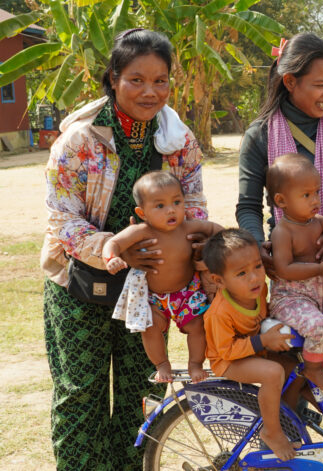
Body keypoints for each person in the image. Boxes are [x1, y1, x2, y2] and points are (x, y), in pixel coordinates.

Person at [40, 29, 208, 470]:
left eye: (161, 80)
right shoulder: (78, 141)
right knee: (81, 398)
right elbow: (62, 219)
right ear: (113, 78)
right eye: (136, 79)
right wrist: (116, 252)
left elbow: (194, 208)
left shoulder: (179, 142)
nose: (150, 91)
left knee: (142, 395)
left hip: (152, 295)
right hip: (80, 289)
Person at [237, 32, 323, 416]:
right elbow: (248, 205)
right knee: (292, 358)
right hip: (289, 269)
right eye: (319, 84)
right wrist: (259, 245)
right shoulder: (260, 135)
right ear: (289, 81)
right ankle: (293, 431)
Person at [104, 171, 223, 383]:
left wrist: (223, 243)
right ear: (142, 213)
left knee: (198, 327)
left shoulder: (189, 227)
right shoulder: (142, 231)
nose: (171, 210)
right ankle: (162, 364)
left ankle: (195, 364)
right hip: (153, 297)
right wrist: (111, 257)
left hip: (187, 292)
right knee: (150, 328)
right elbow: (114, 243)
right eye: (160, 206)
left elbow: (216, 229)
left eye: (177, 202)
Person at [202, 229, 299, 462]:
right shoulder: (220, 313)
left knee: (295, 368)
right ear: (219, 281)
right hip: (227, 361)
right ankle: (272, 432)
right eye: (242, 273)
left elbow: (262, 315)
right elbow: (226, 351)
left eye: (257, 266)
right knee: (273, 372)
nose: (255, 277)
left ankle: (289, 422)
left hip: (253, 351)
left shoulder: (258, 289)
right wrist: (262, 341)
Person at [266, 153, 323, 391]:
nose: (315, 200)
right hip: (289, 302)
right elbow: (284, 268)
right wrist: (320, 268)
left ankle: (305, 384)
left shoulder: (319, 222)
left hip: (311, 303)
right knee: (319, 328)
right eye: (306, 195)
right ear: (281, 201)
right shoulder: (283, 232)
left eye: (316, 192)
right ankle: (312, 371)